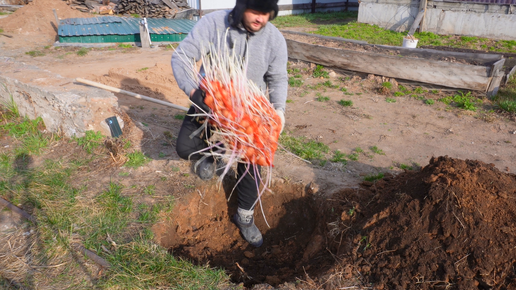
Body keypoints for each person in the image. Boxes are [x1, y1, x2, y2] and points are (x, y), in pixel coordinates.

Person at [171, 0, 288, 247]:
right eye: (256, 11)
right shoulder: (213, 24)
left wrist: (278, 111)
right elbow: (182, 56)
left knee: (252, 163)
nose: (261, 19)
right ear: (242, 5)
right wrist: (194, 93)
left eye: (267, 13)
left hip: (249, 112)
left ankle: (244, 216)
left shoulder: (274, 39)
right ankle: (212, 157)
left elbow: (278, 78)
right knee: (184, 148)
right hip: (213, 104)